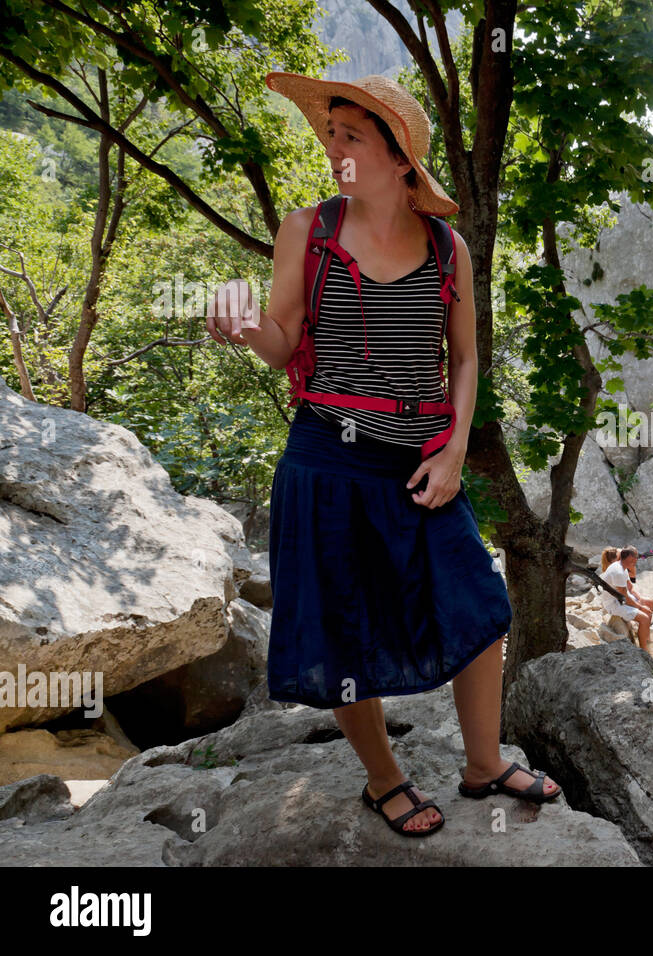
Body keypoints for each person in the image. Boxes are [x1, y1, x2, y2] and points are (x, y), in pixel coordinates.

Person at [209, 73, 558, 837]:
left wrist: (457, 446)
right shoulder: (310, 230)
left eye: (351, 136)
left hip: (418, 455)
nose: (332, 147)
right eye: (329, 133)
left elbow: (463, 360)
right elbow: (282, 343)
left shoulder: (446, 246)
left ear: (401, 160)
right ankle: (383, 779)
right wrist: (240, 325)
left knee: (478, 602)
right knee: (339, 625)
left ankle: (482, 762)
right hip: (326, 458)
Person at [600, 547, 653, 649]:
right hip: (613, 603)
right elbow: (624, 597)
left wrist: (640, 599)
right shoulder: (618, 572)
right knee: (644, 618)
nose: (636, 561)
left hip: (621, 599)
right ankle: (645, 651)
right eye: (634, 559)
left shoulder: (622, 567)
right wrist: (640, 607)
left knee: (649, 603)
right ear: (629, 558)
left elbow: (630, 588)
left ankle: (647, 638)